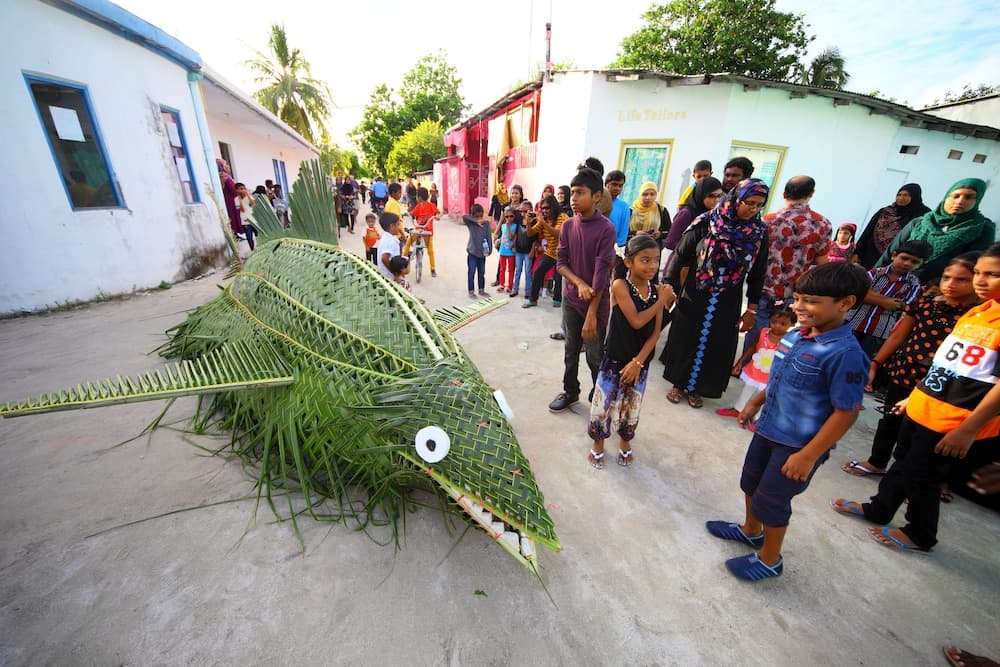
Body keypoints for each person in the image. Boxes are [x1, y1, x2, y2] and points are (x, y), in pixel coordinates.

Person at [708, 262, 871, 580]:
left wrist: (808, 455)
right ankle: (750, 530)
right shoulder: (795, 335)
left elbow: (846, 412)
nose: (799, 307)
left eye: (811, 301)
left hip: (797, 445)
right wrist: (755, 402)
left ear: (846, 303)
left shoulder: (845, 354)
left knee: (773, 500)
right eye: (797, 298)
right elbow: (779, 377)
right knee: (751, 482)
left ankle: (770, 559)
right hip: (768, 428)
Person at [832, 244, 1000, 553]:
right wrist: (917, 395)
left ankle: (920, 533)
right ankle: (880, 508)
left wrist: (968, 429)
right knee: (903, 461)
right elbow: (948, 364)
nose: (981, 280)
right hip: (925, 405)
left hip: (955, 419)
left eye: (993, 275)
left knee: (923, 475)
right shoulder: (978, 312)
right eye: (978, 273)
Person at [842, 253, 980, 478]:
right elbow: (897, 336)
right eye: (946, 277)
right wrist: (876, 363)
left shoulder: (975, 315)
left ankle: (909, 479)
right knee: (890, 420)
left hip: (940, 383)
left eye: (962, 280)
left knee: (919, 433)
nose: (950, 284)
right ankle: (877, 462)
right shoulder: (925, 303)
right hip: (905, 371)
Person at [662, 179, 771, 409]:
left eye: (759, 205)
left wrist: (752, 309)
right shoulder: (707, 222)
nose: (753, 209)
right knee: (686, 335)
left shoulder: (759, 232)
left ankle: (697, 388)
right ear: (735, 199)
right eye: (748, 202)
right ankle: (678, 383)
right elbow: (681, 255)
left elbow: (758, 272)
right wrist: (669, 286)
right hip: (696, 291)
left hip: (728, 298)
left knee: (716, 342)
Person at [586, 235, 676, 469]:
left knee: (631, 404)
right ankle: (598, 445)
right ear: (628, 263)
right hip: (615, 358)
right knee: (604, 404)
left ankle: (625, 442)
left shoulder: (656, 290)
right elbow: (636, 321)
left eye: (656, 260)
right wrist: (663, 299)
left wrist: (638, 362)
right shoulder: (620, 286)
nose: (652, 266)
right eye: (645, 260)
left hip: (640, 361)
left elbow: (655, 332)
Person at [548, 167, 617, 412]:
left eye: (580, 193)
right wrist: (578, 283)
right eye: (573, 192)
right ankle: (570, 391)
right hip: (571, 298)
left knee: (595, 355)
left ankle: (600, 394)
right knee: (570, 349)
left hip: (596, 303)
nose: (573, 198)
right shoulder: (568, 226)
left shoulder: (606, 229)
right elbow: (561, 264)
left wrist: (591, 314)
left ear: (597, 196)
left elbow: (602, 273)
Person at [742, 175, 832, 358]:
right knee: (783, 335)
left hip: (763, 287)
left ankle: (746, 368)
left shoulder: (767, 220)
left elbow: (753, 256)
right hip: (793, 292)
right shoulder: (822, 224)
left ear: (784, 193)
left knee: (757, 331)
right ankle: (770, 373)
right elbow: (822, 263)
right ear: (811, 194)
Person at [877, 179, 994, 285]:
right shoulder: (920, 222)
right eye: (955, 196)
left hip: (937, 291)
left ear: (977, 200)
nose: (960, 201)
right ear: (946, 197)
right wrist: (870, 279)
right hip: (893, 283)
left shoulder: (981, 228)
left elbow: (972, 266)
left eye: (968, 197)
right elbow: (890, 253)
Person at [847, 239, 929, 367]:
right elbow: (856, 293)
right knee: (837, 356)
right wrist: (885, 301)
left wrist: (871, 295)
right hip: (851, 324)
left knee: (859, 365)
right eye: (904, 258)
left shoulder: (914, 284)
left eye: (914, 262)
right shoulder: (875, 273)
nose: (907, 264)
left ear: (921, 264)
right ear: (894, 255)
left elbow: (905, 306)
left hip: (878, 331)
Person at [716, 301, 796, 419]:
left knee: (763, 396)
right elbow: (753, 347)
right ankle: (738, 409)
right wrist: (740, 362)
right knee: (747, 389)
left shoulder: (790, 340)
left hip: (771, 375)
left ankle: (758, 418)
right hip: (755, 369)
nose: (777, 326)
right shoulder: (763, 332)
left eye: (783, 324)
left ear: (792, 325)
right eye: (774, 322)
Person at [855, 184, 930, 268]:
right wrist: (857, 253)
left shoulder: (923, 215)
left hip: (896, 259)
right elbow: (867, 232)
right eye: (899, 195)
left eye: (906, 195)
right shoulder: (885, 211)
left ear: (914, 196)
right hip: (869, 254)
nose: (901, 198)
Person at [522, 195, 567, 308]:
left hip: (563, 253)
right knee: (538, 273)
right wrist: (528, 223)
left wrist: (543, 222)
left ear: (554, 207)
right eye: (543, 208)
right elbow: (530, 233)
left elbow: (558, 234)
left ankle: (557, 299)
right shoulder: (544, 220)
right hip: (551, 252)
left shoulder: (562, 217)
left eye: (547, 208)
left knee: (558, 277)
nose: (544, 211)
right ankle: (533, 300)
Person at [663, 177, 723, 253]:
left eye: (719, 195)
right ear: (701, 195)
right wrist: (694, 251)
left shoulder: (714, 214)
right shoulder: (687, 213)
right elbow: (670, 242)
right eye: (711, 196)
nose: (717, 199)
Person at [402, 187, 439, 277]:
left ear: (420, 197)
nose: (417, 198)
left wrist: (437, 216)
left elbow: (437, 212)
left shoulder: (431, 206)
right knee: (408, 242)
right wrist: (406, 214)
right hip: (418, 230)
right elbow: (413, 213)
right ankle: (403, 260)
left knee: (430, 251)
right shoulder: (418, 207)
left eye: (417, 196)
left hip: (427, 232)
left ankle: (433, 269)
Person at [462, 203, 493, 298]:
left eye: (481, 216)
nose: (480, 218)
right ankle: (471, 291)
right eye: (477, 216)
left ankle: (481, 290)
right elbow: (464, 216)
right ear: (473, 215)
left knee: (482, 272)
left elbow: (489, 237)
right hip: (472, 252)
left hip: (482, 253)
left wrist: (490, 249)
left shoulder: (486, 224)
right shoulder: (471, 223)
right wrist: (475, 221)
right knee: (471, 272)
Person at [511, 203, 534, 298]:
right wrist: (514, 245)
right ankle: (515, 289)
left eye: (525, 211)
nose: (522, 213)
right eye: (521, 211)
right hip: (519, 250)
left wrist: (532, 251)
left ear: (530, 210)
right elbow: (516, 234)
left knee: (528, 271)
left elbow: (535, 239)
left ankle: (528, 291)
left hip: (528, 251)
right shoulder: (518, 220)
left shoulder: (533, 222)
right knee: (518, 270)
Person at [605, 170, 631, 250]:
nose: (617, 188)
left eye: (620, 186)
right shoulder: (595, 202)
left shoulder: (624, 207)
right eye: (614, 184)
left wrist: (617, 251)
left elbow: (623, 233)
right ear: (606, 184)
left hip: (612, 250)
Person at [217, 158, 242, 237]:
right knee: (233, 218)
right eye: (225, 165)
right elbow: (234, 190)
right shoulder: (226, 178)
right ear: (223, 167)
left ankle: (235, 234)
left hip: (229, 201)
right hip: (231, 201)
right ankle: (235, 234)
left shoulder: (224, 176)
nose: (228, 166)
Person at [374, 211, 402, 281]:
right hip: (389, 277)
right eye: (398, 225)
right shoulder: (390, 241)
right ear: (391, 226)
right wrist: (395, 274)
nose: (399, 227)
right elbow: (384, 258)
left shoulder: (386, 237)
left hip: (385, 275)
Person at [496, 205, 517, 293]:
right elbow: (502, 235)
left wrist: (508, 226)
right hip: (503, 250)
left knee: (511, 269)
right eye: (506, 216)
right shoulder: (503, 226)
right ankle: (501, 283)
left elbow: (511, 237)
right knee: (502, 268)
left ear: (514, 216)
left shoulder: (514, 226)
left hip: (511, 252)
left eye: (511, 216)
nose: (509, 218)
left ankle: (510, 285)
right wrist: (498, 240)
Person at [234, 182, 255, 251]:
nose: (243, 190)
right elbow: (242, 210)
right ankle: (253, 250)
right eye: (241, 189)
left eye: (244, 188)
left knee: (258, 235)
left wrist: (248, 195)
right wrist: (240, 200)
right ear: (237, 190)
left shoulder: (249, 197)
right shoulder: (236, 199)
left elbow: (253, 205)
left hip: (254, 220)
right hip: (245, 221)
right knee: (249, 237)